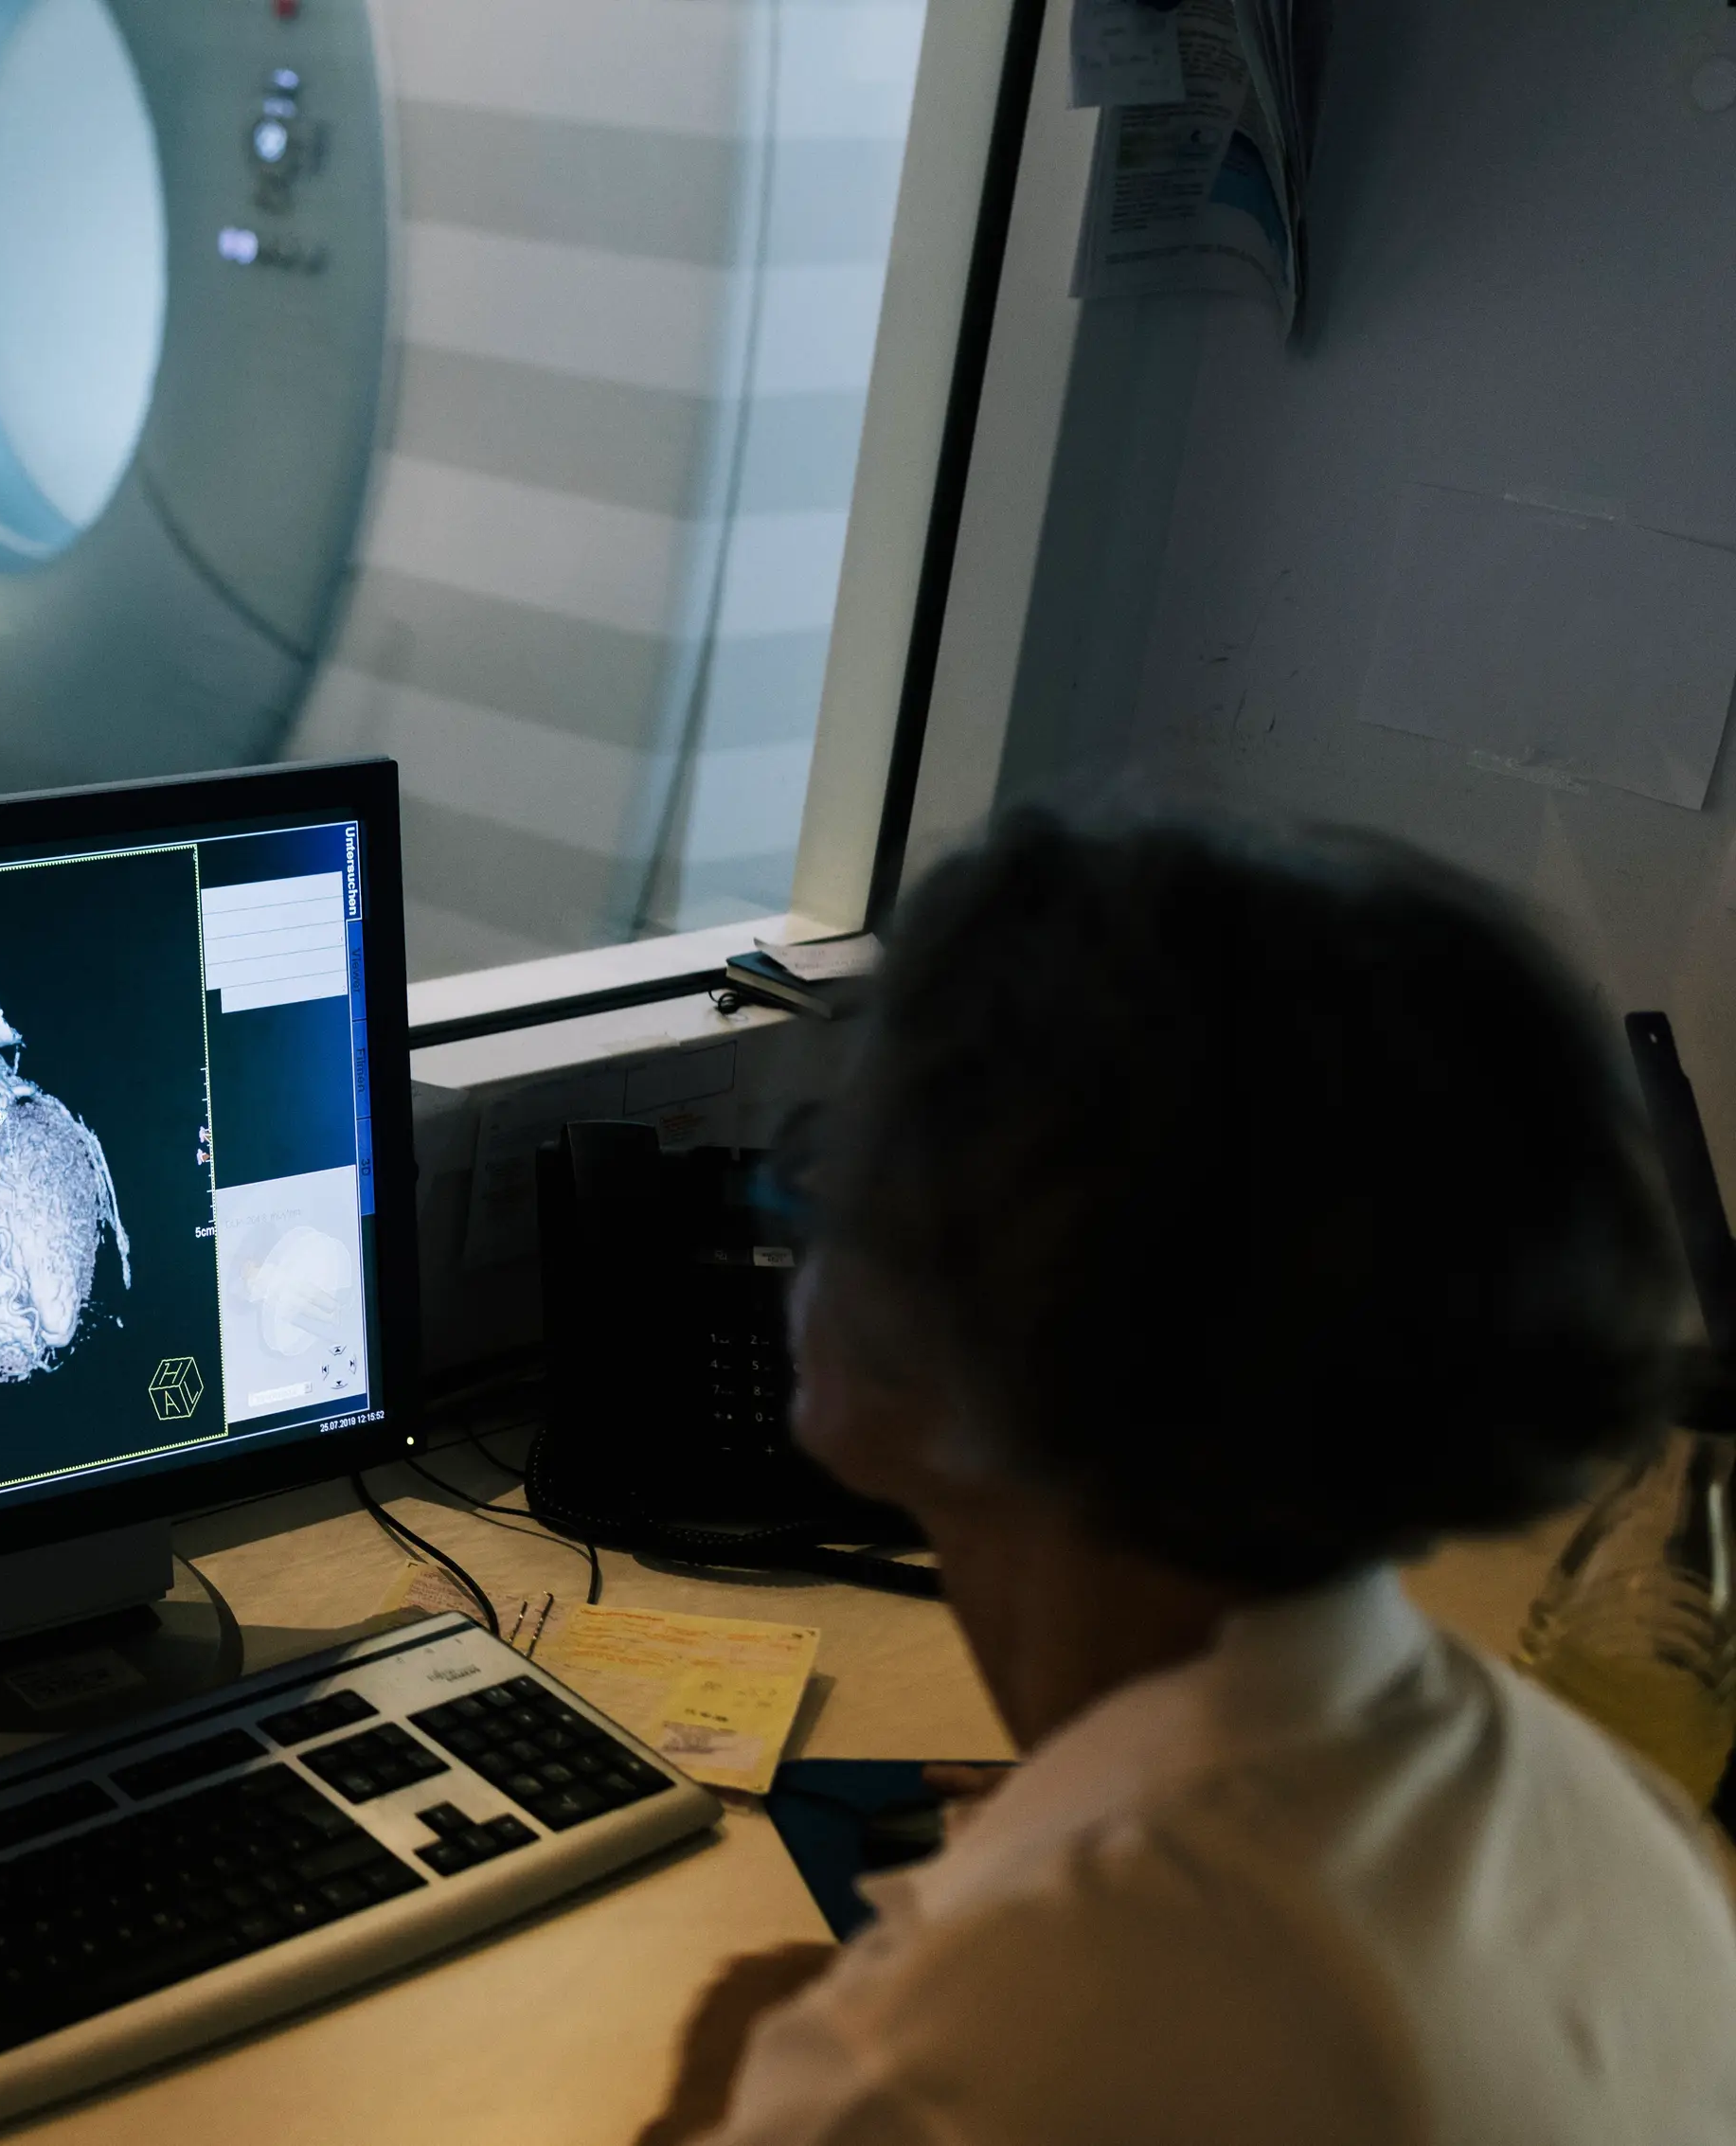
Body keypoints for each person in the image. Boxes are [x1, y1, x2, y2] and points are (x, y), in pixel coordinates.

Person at [639, 810, 1736, 2144]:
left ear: (981, 1338)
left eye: (834, 1172)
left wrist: (731, 2081)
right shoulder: (1618, 1823)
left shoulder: (950, 2064)